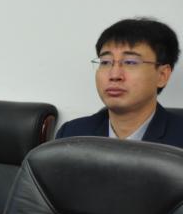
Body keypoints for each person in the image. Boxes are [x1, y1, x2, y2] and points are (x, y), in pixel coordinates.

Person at [57, 18, 183, 146]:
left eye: (130, 62)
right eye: (105, 62)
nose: (114, 75)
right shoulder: (71, 135)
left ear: (162, 75)